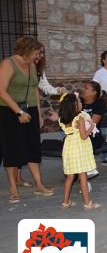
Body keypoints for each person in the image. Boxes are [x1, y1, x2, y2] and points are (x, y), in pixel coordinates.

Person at [0, 36, 54, 203]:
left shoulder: (31, 65)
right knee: (12, 149)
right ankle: (13, 189)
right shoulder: (8, 64)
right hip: (9, 110)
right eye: (37, 53)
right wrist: (18, 112)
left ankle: (39, 185)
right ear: (27, 49)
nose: (39, 56)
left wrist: (38, 113)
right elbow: (1, 91)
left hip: (29, 109)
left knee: (32, 148)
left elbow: (34, 90)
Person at [58, 93, 102, 210]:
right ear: (75, 106)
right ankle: (88, 203)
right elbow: (83, 136)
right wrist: (92, 127)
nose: (82, 104)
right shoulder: (80, 118)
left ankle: (65, 202)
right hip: (79, 148)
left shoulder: (62, 118)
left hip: (69, 147)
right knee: (83, 177)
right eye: (79, 102)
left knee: (70, 177)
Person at [81, 80, 107, 179]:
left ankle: (88, 170)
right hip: (80, 134)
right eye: (84, 87)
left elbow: (92, 124)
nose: (83, 90)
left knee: (81, 145)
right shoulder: (79, 101)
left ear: (94, 93)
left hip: (93, 136)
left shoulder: (99, 103)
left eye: (86, 88)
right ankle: (83, 171)